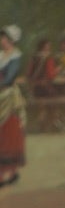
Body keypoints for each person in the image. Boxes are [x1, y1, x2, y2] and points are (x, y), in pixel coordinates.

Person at [0, 27, 26, 188]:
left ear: (11, 40)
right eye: (2, 37)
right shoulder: (0, 55)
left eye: (4, 38)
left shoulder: (15, 57)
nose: (2, 40)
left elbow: (9, 79)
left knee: (9, 133)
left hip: (8, 98)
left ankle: (10, 172)